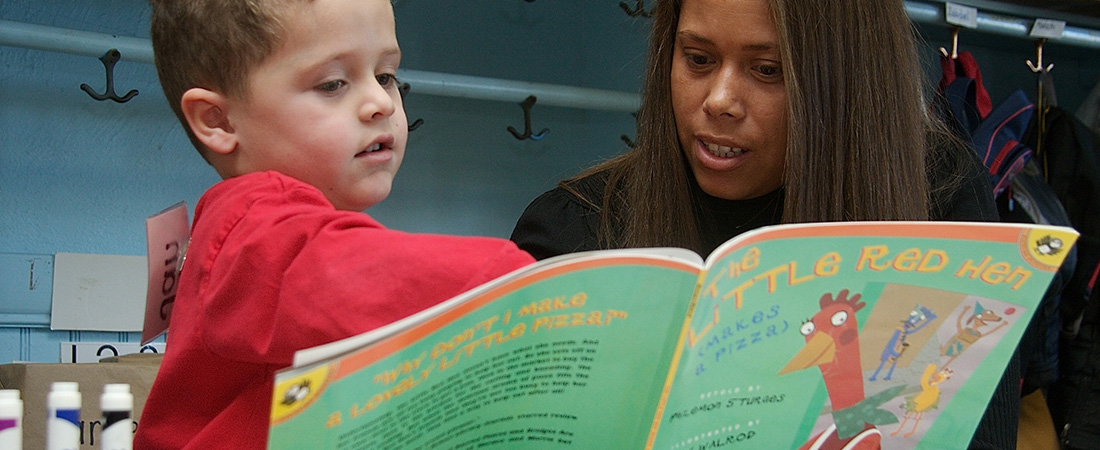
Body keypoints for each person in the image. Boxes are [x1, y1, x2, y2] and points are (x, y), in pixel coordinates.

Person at [510, 0, 1017, 448]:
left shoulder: (937, 197)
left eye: (768, 70)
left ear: (847, 84)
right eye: (698, 59)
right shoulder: (571, 232)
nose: (719, 100)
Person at [134, 0, 534, 448]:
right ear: (218, 120)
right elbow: (357, 278)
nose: (380, 102)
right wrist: (531, 282)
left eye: (385, 76)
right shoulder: (249, 227)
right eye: (332, 84)